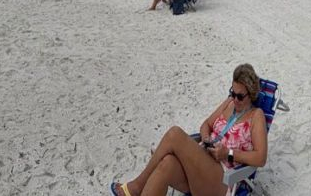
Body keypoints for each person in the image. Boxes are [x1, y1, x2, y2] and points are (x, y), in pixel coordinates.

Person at [110, 64, 268, 196]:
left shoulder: (256, 116)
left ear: (251, 94)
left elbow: (261, 158)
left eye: (240, 96)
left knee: (174, 134)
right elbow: (205, 124)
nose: (235, 99)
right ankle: (138, 187)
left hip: (223, 178)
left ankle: (136, 187)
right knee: (166, 164)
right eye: (232, 93)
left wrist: (228, 153)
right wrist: (206, 139)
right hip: (201, 164)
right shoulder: (229, 103)